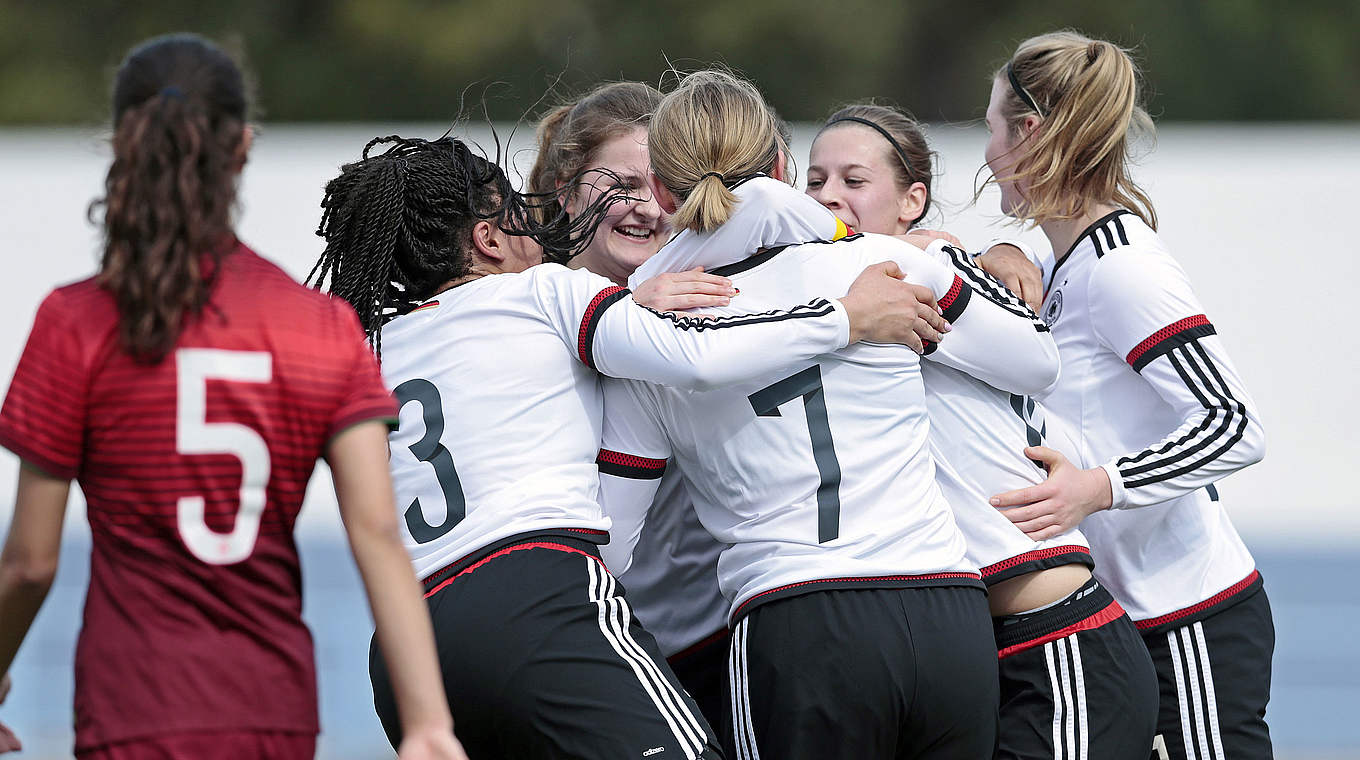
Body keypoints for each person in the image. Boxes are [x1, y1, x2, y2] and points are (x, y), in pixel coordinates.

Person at [310, 132, 943, 760]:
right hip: (530, 594)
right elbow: (692, 356)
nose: (541, 232)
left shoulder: (372, 353)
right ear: (487, 240)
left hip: (402, 649)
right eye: (519, 217)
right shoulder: (543, 290)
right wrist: (846, 317)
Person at [0, 34, 465, 760]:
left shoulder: (75, 323)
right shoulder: (318, 327)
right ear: (242, 146)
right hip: (271, 710)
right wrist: (429, 723)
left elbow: (30, 563)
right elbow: (375, 532)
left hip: (132, 708)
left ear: (121, 143)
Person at [599, 69, 1064, 760]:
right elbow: (1036, 363)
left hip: (801, 620)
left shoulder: (651, 336)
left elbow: (613, 543)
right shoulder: (884, 264)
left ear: (663, 192)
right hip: (946, 611)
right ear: (785, 169)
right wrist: (957, 257)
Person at [806, 102, 1158, 760]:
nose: (829, 196)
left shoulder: (925, 270)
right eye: (815, 180)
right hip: (981, 645)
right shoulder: (844, 291)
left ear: (913, 200)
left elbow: (1037, 357)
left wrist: (952, 252)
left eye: (854, 181)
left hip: (1062, 644)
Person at [978, 31, 1272, 760]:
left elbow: (1235, 423)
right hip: (1123, 625)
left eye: (990, 127)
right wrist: (1002, 252)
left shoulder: (1123, 269)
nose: (984, 153)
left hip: (1189, 620)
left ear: (1029, 133)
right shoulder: (1059, 255)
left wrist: (1099, 488)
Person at [529, 80, 734, 727]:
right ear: (565, 190)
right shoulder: (521, 310)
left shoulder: (717, 299)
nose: (644, 207)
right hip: (574, 649)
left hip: (706, 643)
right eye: (619, 185)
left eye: (659, 186)